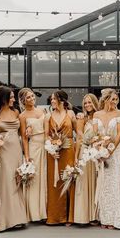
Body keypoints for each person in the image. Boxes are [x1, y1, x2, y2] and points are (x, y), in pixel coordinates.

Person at [0, 86, 27, 232]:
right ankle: (4, 220)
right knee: (4, 184)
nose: (14, 99)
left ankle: (18, 218)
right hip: (2, 153)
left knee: (16, 181)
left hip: (16, 151)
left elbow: (23, 134)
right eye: (11, 97)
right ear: (3, 98)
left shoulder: (16, 112)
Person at [93, 88, 120, 230]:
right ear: (105, 99)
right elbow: (95, 134)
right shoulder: (96, 114)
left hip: (115, 152)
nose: (114, 102)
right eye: (112, 99)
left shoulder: (119, 113)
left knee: (115, 181)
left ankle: (116, 218)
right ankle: (105, 218)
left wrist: (110, 150)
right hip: (101, 151)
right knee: (103, 183)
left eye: (116, 99)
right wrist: (99, 150)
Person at [45, 90, 76, 225]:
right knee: (55, 182)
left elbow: (78, 132)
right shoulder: (48, 116)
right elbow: (46, 135)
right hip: (54, 153)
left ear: (61, 101)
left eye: (54, 99)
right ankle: (55, 216)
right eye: (51, 99)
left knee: (68, 179)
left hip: (68, 150)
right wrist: (51, 150)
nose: (52, 101)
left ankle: (69, 216)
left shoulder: (71, 114)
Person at [18, 88, 47, 222]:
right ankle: (34, 213)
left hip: (46, 146)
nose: (32, 99)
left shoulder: (42, 111)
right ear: (23, 101)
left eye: (32, 96)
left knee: (45, 177)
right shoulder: (23, 116)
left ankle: (46, 211)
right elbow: (24, 138)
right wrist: (27, 156)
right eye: (28, 97)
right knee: (34, 179)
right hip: (34, 147)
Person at [74, 94, 99, 224]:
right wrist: (76, 157)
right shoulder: (81, 118)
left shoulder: (99, 116)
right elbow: (79, 138)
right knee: (83, 183)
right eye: (85, 103)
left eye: (90, 102)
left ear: (94, 103)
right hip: (85, 153)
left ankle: (95, 215)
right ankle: (83, 215)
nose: (87, 105)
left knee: (96, 182)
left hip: (96, 153)